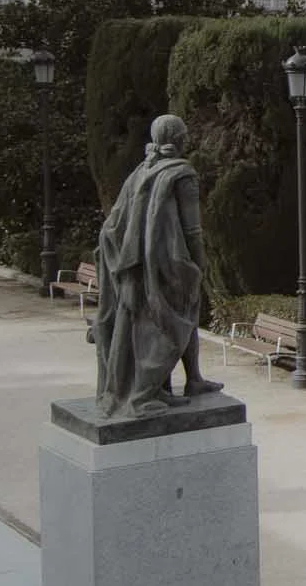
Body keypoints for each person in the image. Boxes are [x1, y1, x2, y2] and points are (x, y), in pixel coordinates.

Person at [90, 114, 221, 418]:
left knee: (171, 320)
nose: (187, 138)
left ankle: (190, 381)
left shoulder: (141, 171)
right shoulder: (181, 174)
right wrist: (198, 263)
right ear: (178, 138)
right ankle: (145, 393)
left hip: (137, 263)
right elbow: (192, 230)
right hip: (165, 265)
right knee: (171, 323)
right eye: (185, 134)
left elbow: (115, 219)